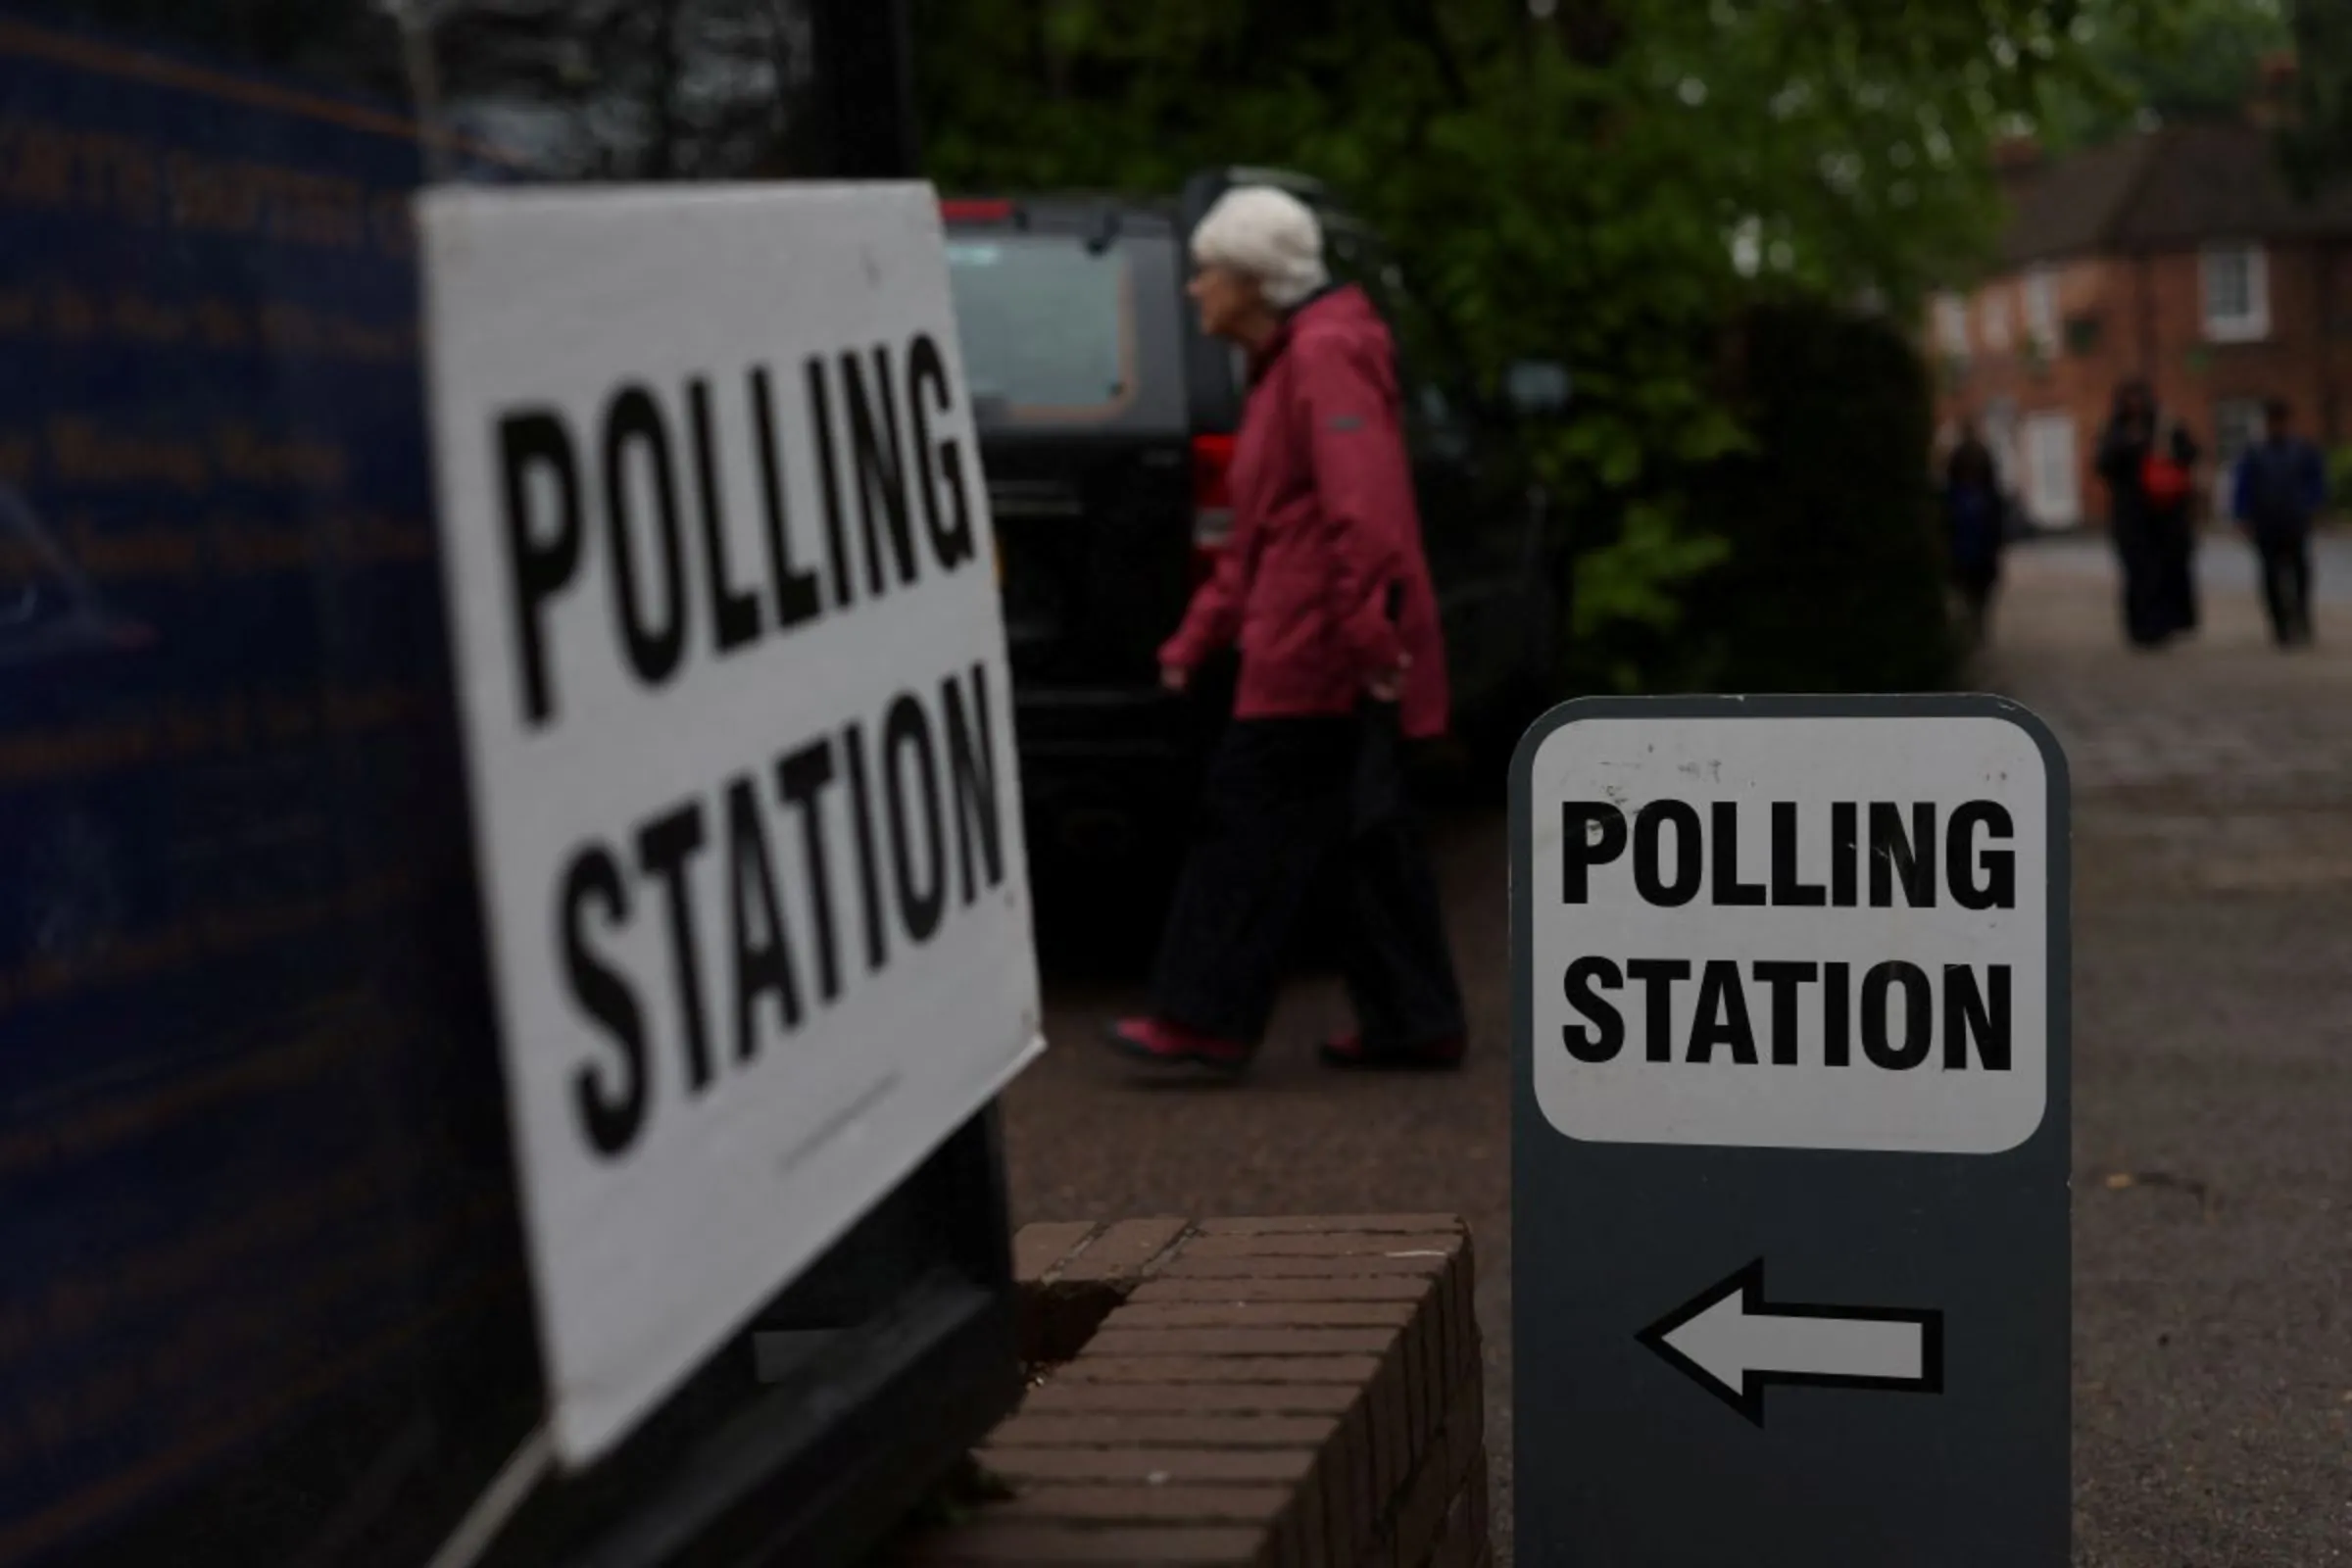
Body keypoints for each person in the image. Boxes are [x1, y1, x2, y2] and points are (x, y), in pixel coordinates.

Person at [1108, 185, 1466, 1078]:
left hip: (1318, 650)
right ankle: (1415, 1019)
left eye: (1207, 274)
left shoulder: (1324, 358)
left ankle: (1203, 1017)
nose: (1194, 292)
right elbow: (1256, 531)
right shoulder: (1291, 364)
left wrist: (1371, 645)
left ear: (1254, 281)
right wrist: (1194, 641)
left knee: (1248, 823)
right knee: (1360, 838)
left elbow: (1365, 517)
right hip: (1316, 639)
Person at [2095, 379, 2201, 648]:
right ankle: (2141, 627)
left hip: (2165, 513)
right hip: (2132, 515)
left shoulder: (2166, 428)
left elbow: (2190, 454)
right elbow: (2103, 465)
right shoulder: (2115, 432)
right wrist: (2129, 446)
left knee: (2166, 569)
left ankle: (2165, 624)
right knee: (2138, 571)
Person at [2230, 398, 2327, 647]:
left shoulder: (2303, 451)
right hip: (2266, 521)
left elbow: (2316, 482)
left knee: (2300, 572)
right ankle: (2281, 624)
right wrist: (2243, 515)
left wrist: (2312, 506)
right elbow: (2243, 487)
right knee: (2271, 574)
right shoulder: (2255, 453)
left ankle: (2301, 618)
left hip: (2294, 519)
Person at [1943, 420, 2005, 647]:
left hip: (1971, 550)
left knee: (1973, 590)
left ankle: (1975, 626)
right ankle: (1976, 626)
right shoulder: (1979, 497)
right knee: (1977, 590)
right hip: (1974, 550)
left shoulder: (1958, 496)